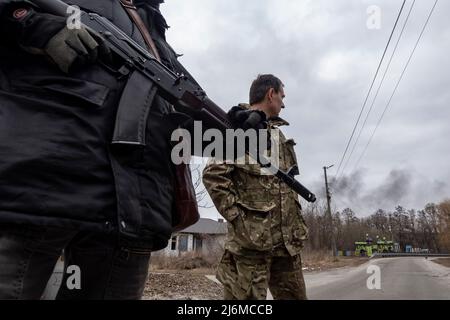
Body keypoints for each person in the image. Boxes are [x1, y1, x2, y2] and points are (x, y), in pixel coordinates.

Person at [0, 0, 262, 299]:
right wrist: (28, 22)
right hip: (36, 187)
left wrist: (236, 132)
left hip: (133, 208)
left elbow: (177, 127)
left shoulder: (153, 36)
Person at [203, 74, 309, 300]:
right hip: (250, 250)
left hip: (286, 246)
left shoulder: (279, 136)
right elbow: (214, 176)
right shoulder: (238, 128)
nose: (284, 102)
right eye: (282, 96)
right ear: (271, 94)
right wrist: (241, 222)